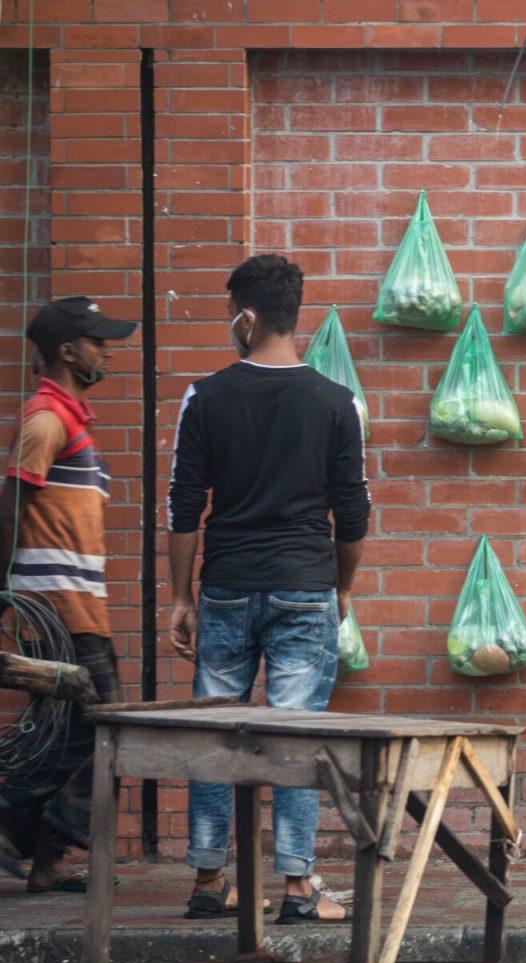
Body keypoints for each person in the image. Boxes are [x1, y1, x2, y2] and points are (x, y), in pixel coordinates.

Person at [167, 254, 369, 924]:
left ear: (246, 318)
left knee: (217, 732)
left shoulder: (205, 397)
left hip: (225, 586)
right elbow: (355, 511)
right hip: (304, 587)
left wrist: (180, 598)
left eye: (233, 315)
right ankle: (297, 889)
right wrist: (341, 590)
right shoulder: (339, 403)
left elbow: (182, 507)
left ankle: (207, 879)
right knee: (295, 739)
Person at [0, 298, 136, 892]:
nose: (106, 350)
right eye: (97, 341)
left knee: (75, 732)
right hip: (58, 607)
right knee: (109, 728)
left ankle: (42, 854)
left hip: (79, 603)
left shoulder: (69, 418)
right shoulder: (45, 419)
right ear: (66, 351)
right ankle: (20, 825)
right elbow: (10, 503)